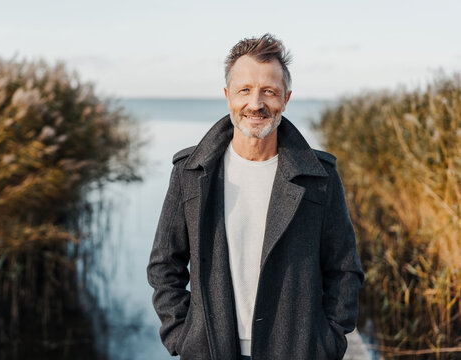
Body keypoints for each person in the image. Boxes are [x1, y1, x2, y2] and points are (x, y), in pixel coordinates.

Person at [147, 34, 364, 360]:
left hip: (298, 351)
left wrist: (327, 341)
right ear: (227, 95)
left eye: (269, 91)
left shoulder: (319, 176)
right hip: (211, 351)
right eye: (244, 90)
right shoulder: (190, 173)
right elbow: (165, 265)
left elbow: (345, 269)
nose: (256, 103)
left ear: (286, 98)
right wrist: (182, 336)